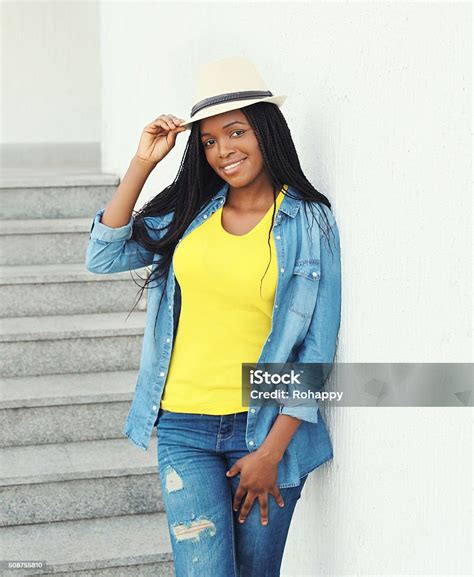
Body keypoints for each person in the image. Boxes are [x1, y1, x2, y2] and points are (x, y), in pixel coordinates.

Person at [86, 56, 342, 577]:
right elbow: (103, 254)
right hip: (184, 428)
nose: (223, 150)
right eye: (208, 141)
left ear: (265, 130)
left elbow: (316, 350)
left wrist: (271, 454)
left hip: (266, 429)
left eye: (235, 132)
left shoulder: (308, 221)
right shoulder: (190, 213)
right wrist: (143, 162)